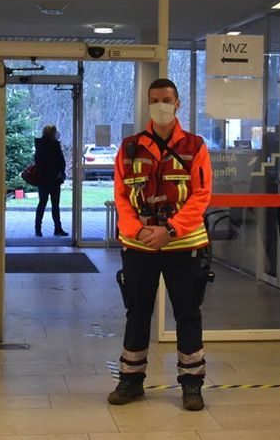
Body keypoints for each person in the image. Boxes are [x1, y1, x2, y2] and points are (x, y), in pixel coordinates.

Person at [107, 78, 213, 411]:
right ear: (148, 104)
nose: (161, 106)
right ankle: (130, 380)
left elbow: (201, 196)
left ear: (178, 103)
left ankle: (192, 384)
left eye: (166, 99)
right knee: (137, 313)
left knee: (187, 314)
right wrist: (137, 230)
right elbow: (121, 196)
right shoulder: (129, 147)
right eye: (154, 100)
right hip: (139, 245)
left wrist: (170, 230)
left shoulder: (195, 147)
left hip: (183, 245)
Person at [33, 125, 67, 237]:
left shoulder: (39, 144)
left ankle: (38, 229)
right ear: (52, 133)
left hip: (43, 179)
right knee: (55, 204)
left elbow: (40, 161)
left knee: (42, 203)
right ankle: (57, 228)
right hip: (53, 179)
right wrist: (59, 172)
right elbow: (60, 160)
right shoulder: (53, 145)